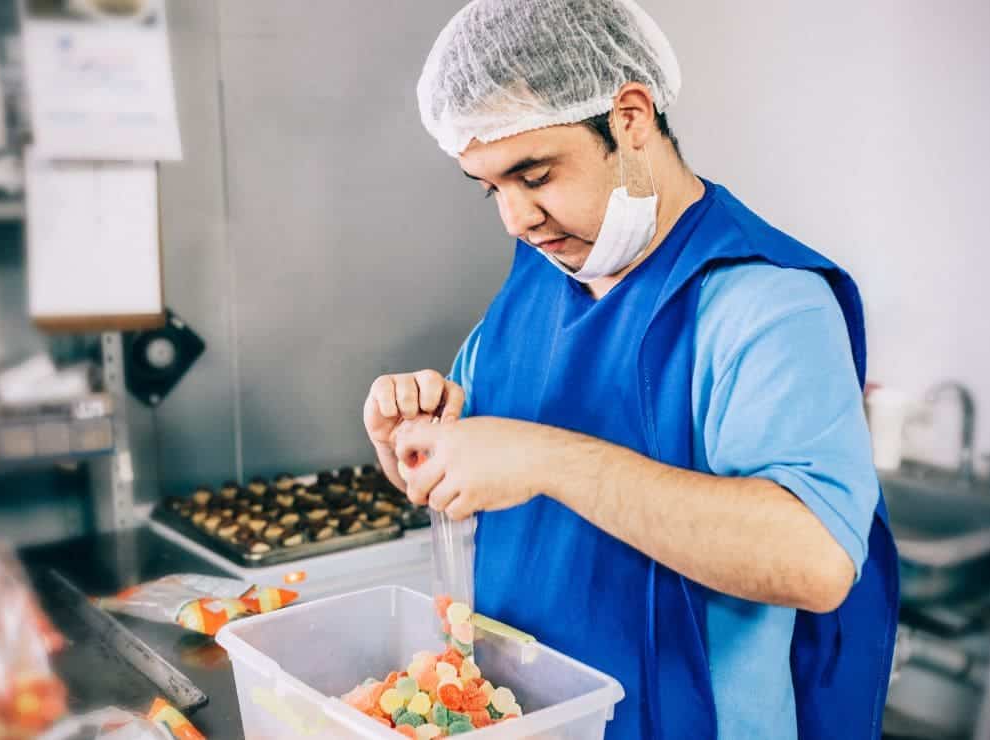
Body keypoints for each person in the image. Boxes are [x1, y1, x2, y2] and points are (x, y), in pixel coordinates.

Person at [361, 1, 899, 737]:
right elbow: (475, 475)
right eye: (492, 188)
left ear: (632, 117)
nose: (515, 220)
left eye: (535, 174)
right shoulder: (533, 288)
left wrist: (547, 457)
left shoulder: (767, 304)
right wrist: (413, 447)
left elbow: (817, 559)